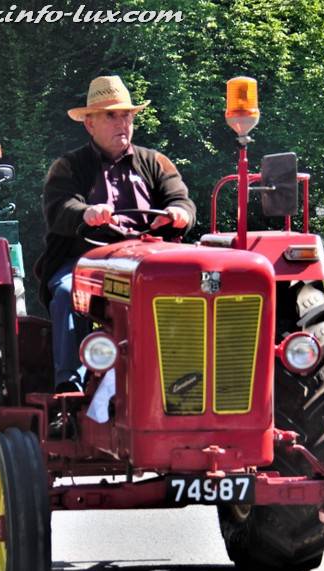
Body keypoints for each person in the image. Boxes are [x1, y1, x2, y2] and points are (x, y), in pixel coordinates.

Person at [37, 75, 196, 393]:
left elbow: (180, 199)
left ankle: (186, 381)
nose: (121, 122)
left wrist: (181, 213)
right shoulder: (68, 167)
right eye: (111, 115)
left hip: (148, 262)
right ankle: (70, 385)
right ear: (89, 124)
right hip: (84, 260)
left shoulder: (156, 162)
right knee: (68, 292)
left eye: (127, 115)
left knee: (197, 289)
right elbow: (60, 207)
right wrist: (86, 213)